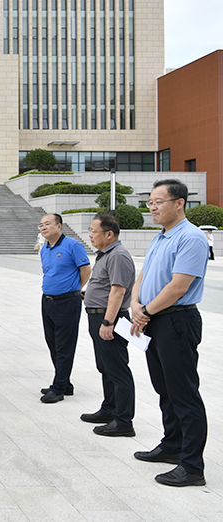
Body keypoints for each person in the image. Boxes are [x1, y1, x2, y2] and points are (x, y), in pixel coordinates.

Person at [130, 179, 209, 487]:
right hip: (153, 319)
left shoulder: (191, 237)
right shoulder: (160, 238)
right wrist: (136, 304)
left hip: (176, 320)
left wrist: (146, 311)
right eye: (150, 202)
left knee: (184, 393)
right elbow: (143, 275)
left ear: (179, 203)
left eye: (158, 202)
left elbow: (178, 287)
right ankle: (172, 445)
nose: (152, 207)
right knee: (165, 389)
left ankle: (192, 466)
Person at [81, 214, 136, 437]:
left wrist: (108, 322)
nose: (90, 235)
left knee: (117, 369)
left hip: (110, 319)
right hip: (98, 316)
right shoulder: (105, 254)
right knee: (105, 367)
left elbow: (118, 291)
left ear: (109, 234)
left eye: (94, 231)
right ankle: (109, 409)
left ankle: (123, 421)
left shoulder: (118, 255)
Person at [38, 213, 91, 403]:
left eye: (47, 224)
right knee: (52, 343)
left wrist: (75, 288)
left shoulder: (72, 245)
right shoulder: (45, 249)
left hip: (67, 302)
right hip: (47, 301)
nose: (43, 227)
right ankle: (64, 382)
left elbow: (86, 270)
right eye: (41, 225)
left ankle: (59, 388)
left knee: (64, 346)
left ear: (59, 226)